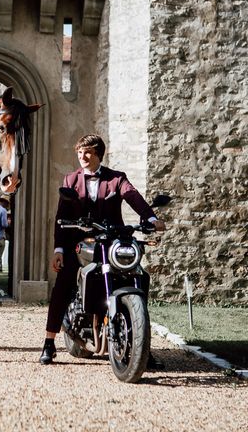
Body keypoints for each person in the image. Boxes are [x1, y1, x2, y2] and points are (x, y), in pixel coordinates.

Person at [39, 134, 166, 365]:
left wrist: (150, 217)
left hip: (111, 240)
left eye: (87, 152)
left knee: (138, 276)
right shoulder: (70, 181)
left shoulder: (116, 179)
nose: (82, 157)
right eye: (79, 152)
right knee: (63, 283)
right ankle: (49, 342)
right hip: (79, 241)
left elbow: (132, 196)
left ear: (99, 154)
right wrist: (59, 249)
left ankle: (141, 345)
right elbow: (62, 217)